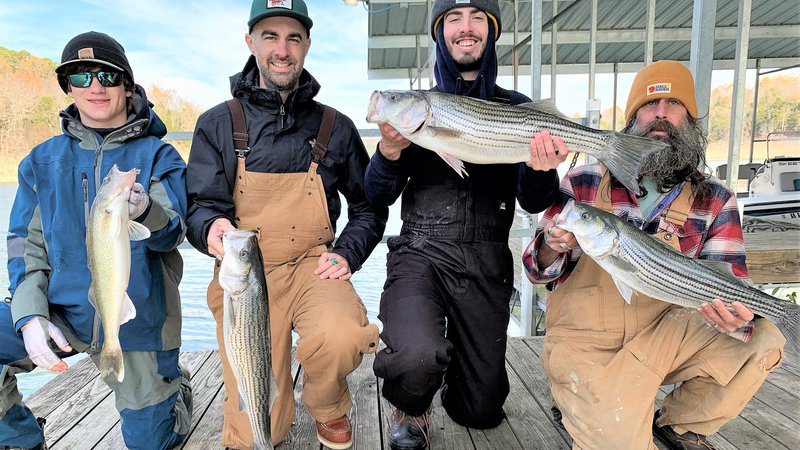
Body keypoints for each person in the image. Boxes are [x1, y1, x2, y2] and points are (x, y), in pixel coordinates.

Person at [523, 60, 786, 450]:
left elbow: (732, 280)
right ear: (632, 119)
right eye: (649, 105)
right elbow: (535, 270)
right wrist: (551, 243)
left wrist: (737, 310)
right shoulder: (582, 181)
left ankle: (678, 424)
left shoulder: (716, 198)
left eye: (674, 103)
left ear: (691, 120)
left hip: (664, 339)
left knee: (763, 338)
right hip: (588, 347)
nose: (660, 114)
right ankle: (590, 402)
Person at [364, 1, 566, 448]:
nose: (465, 28)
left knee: (482, 411)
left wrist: (540, 168)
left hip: (487, 259)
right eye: (453, 18)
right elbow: (376, 196)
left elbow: (537, 201)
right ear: (441, 33)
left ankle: (460, 369)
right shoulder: (420, 111)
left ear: (490, 32)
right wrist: (390, 152)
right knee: (417, 358)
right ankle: (412, 402)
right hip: (421, 253)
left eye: (477, 18)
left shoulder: (518, 109)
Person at [185, 1, 387, 448]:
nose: (282, 49)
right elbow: (199, 205)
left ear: (308, 45)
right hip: (247, 275)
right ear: (250, 42)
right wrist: (210, 227)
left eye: (293, 37)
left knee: (342, 336)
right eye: (271, 36)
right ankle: (267, 419)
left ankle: (328, 406)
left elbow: (369, 207)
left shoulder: (336, 126)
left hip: (314, 266)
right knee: (255, 426)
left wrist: (348, 251)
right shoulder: (218, 123)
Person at [1, 31, 192, 450]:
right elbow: (22, 246)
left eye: (107, 75)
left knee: (151, 442)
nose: (96, 87)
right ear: (68, 88)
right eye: (81, 77)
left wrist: (144, 211)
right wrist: (29, 315)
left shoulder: (160, 157)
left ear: (127, 84)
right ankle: (18, 436)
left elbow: (172, 234)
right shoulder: (39, 161)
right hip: (62, 312)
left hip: (140, 322)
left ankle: (175, 395)